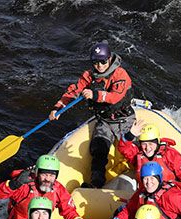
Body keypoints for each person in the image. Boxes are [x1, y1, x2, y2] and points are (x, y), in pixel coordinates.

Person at [49, 41, 135, 188]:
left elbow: (115, 97)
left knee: (131, 151)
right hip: (104, 120)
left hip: (124, 119)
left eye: (102, 61)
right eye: (95, 62)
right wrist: (58, 107)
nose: (99, 66)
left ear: (109, 59)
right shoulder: (89, 76)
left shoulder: (120, 75)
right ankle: (96, 183)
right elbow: (74, 91)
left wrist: (95, 94)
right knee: (98, 149)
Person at [0, 154, 89, 219]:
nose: (47, 179)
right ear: (37, 173)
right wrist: (14, 184)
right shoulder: (24, 186)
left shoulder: (57, 189)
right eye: (44, 174)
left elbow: (68, 209)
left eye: (51, 175)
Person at [117, 119, 181, 201]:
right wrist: (130, 135)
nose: (147, 148)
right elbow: (124, 148)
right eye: (144, 144)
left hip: (168, 197)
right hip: (146, 196)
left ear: (157, 142)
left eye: (151, 144)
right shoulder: (138, 155)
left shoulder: (170, 154)